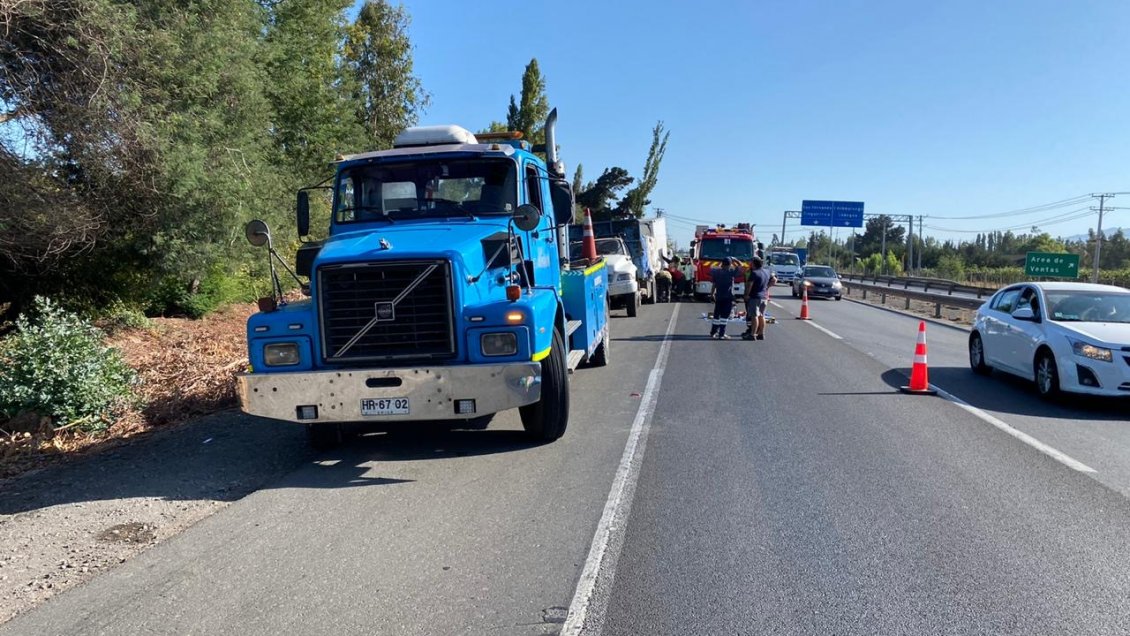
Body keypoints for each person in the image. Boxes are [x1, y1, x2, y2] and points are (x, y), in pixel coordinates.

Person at [741, 256, 776, 340]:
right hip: (764, 297)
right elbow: (774, 279)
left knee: (754, 316)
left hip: (755, 297)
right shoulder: (767, 271)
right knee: (762, 315)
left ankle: (752, 334)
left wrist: (746, 295)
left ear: (753, 263)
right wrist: (767, 287)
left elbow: (749, 285)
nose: (749, 264)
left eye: (751, 262)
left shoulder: (754, 273)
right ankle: (761, 334)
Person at [709, 256, 740, 339]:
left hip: (718, 297)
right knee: (724, 317)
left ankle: (713, 332)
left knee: (716, 316)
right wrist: (735, 260)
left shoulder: (716, 272)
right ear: (730, 265)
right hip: (728, 297)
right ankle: (721, 334)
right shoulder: (731, 272)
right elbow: (740, 266)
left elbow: (714, 284)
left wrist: (712, 294)